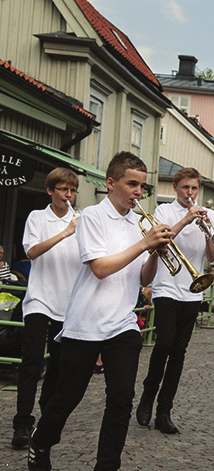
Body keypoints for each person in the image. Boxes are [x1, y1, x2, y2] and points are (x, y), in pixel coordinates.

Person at [28, 151, 173, 471]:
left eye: (142, 186)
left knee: (121, 401)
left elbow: (143, 280)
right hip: (85, 322)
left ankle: (107, 466)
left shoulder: (139, 225)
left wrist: (154, 254)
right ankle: (41, 441)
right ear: (111, 183)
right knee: (67, 397)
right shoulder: (92, 216)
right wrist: (144, 243)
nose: (138, 191)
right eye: (131, 183)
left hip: (122, 324)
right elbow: (99, 268)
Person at [135, 167, 214, 434]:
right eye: (185, 188)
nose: (190, 193)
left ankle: (164, 410)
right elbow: (163, 239)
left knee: (179, 352)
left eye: (194, 188)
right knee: (165, 343)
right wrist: (186, 219)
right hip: (166, 287)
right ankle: (149, 393)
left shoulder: (209, 215)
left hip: (193, 290)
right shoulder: (164, 211)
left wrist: (208, 231)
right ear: (175, 187)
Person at [11, 168, 82, 449]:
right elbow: (31, 252)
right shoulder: (37, 217)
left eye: (72, 190)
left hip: (68, 304)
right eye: (63, 190)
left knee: (58, 366)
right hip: (40, 299)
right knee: (31, 362)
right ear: (50, 190)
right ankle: (22, 423)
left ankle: (47, 416)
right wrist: (66, 232)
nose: (68, 195)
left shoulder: (82, 220)